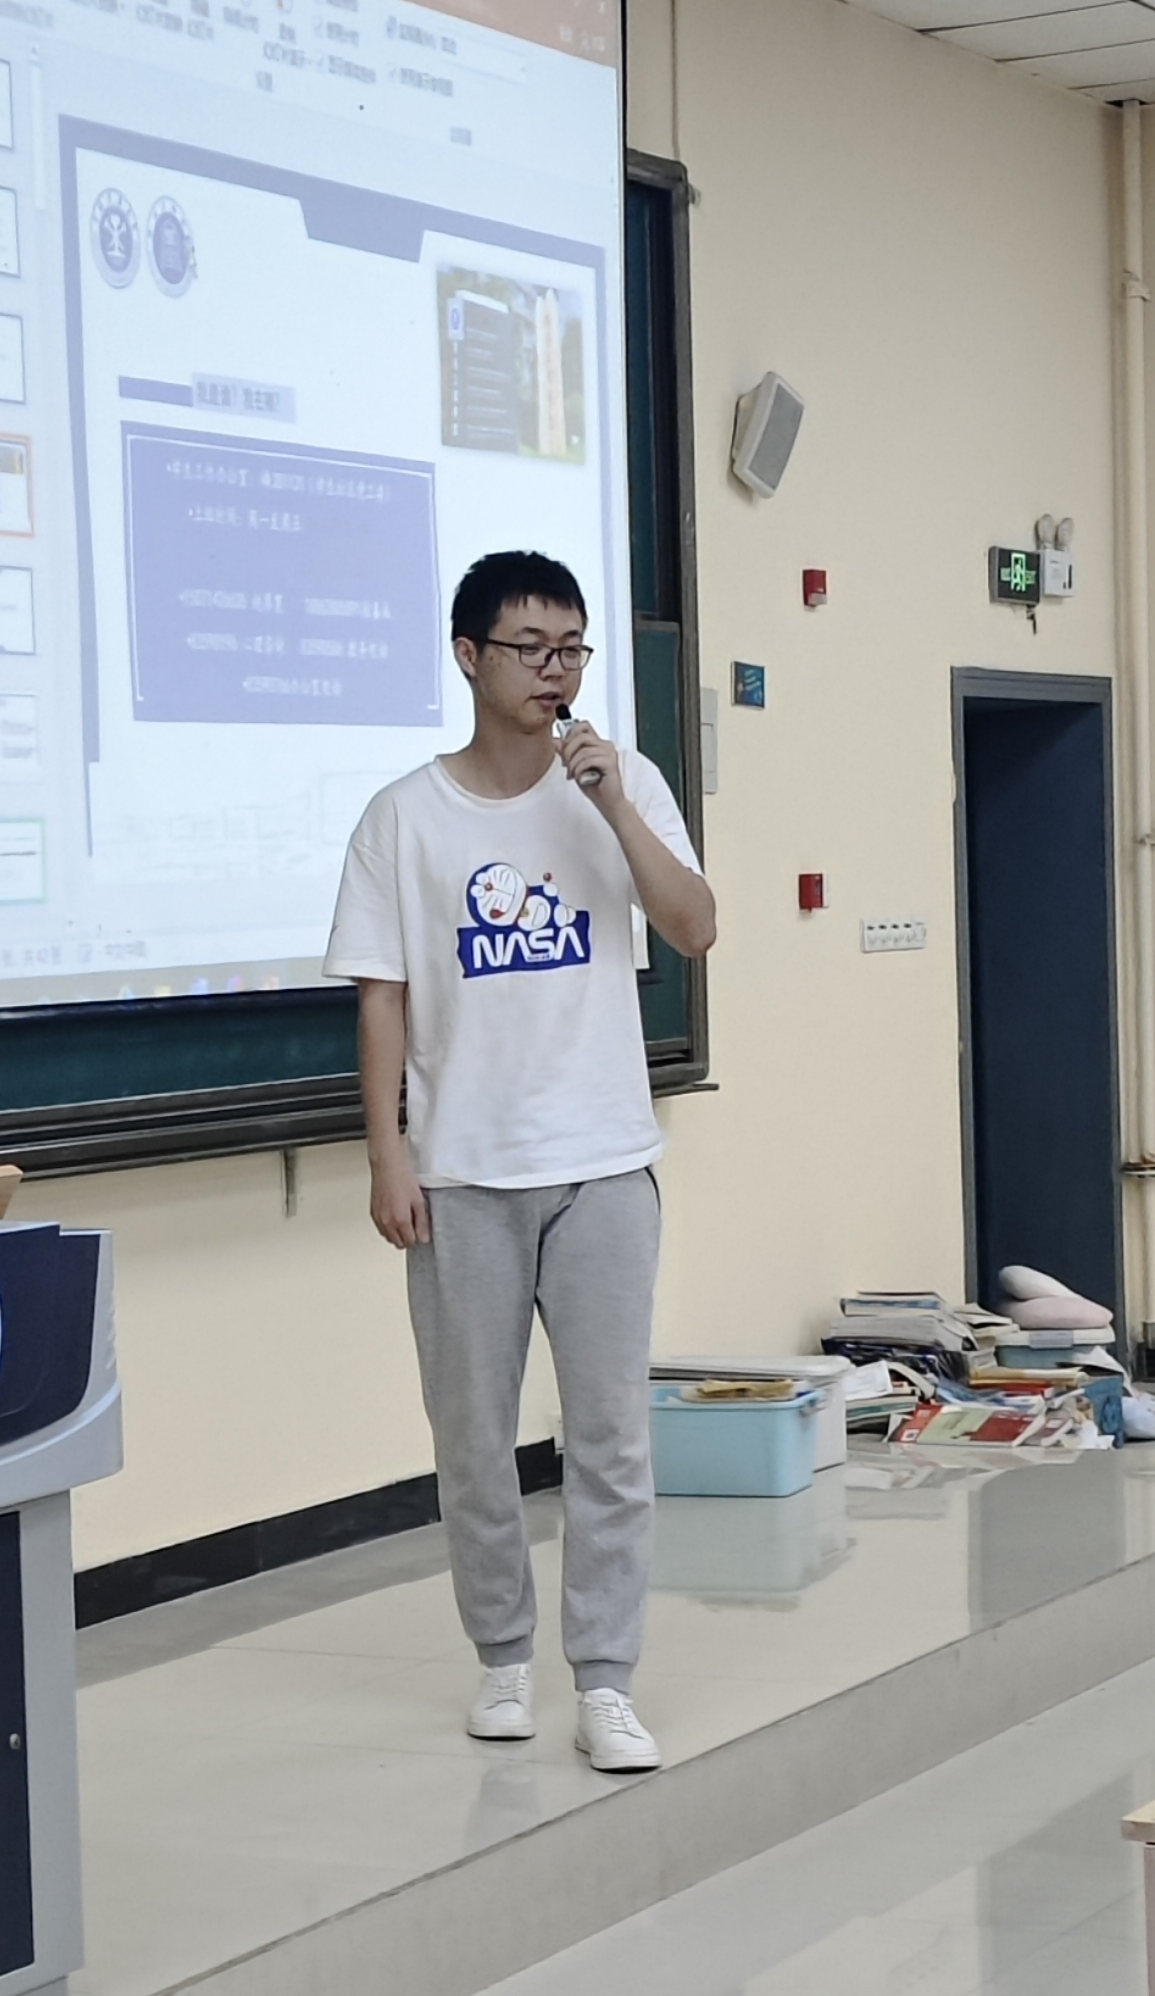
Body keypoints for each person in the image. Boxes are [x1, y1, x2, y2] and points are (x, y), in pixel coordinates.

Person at [322, 550, 716, 1773]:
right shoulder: (404, 816)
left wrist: (612, 807)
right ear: (469, 656)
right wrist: (388, 1155)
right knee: (473, 1438)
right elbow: (381, 997)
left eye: (572, 649)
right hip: (461, 1173)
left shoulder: (622, 781)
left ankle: (606, 1680)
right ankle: (502, 1657)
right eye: (531, 648)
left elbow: (695, 925)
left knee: (610, 1439)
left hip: (602, 1162)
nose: (556, 671)